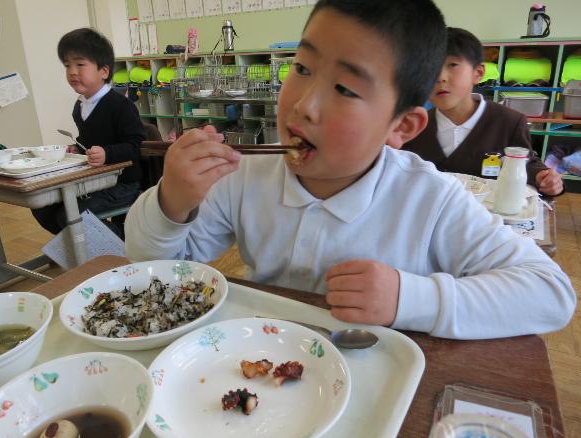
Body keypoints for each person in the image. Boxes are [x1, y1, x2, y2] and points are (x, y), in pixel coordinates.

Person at [125, 0, 576, 339]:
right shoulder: (244, 176)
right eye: (301, 67)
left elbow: (550, 293)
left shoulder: (430, 198)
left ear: (402, 126)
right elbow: (162, 273)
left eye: (344, 87)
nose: (303, 105)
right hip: (260, 363)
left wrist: (409, 298)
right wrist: (171, 203)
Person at [404, 27, 563, 196]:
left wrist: (543, 177)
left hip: (485, 217)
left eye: (453, 65)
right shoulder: (414, 126)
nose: (440, 77)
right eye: (430, 68)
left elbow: (524, 163)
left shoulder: (509, 122)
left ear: (478, 73)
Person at [32, 28, 145, 238]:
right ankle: (81, 247)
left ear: (103, 71)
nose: (72, 71)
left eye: (80, 64)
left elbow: (135, 146)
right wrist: (77, 147)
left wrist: (107, 154)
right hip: (94, 181)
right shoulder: (80, 106)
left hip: (123, 184)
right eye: (67, 66)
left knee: (71, 214)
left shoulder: (120, 105)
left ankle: (119, 250)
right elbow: (89, 140)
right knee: (43, 207)